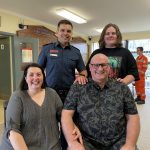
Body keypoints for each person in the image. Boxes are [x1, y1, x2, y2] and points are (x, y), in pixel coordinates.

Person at [61, 54, 140, 150]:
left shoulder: (122, 88)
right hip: (86, 141)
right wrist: (73, 143)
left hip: (118, 140)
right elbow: (66, 115)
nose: (100, 69)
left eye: (104, 65)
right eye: (96, 65)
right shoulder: (78, 87)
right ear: (90, 67)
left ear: (109, 67)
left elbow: (133, 117)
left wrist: (130, 145)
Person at [0, 63, 80, 150]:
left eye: (38, 74)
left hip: (50, 146)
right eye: (31, 75)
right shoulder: (17, 97)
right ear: (26, 78)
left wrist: (74, 127)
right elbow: (13, 131)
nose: (35, 78)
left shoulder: (52, 94)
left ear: (43, 77)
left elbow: (63, 117)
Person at [38, 19, 87, 150]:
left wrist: (82, 76)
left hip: (69, 95)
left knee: (68, 126)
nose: (66, 33)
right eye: (62, 30)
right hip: (50, 94)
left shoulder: (76, 52)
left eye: (69, 31)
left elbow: (83, 71)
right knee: (50, 125)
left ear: (71, 34)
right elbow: (38, 70)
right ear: (57, 33)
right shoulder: (47, 49)